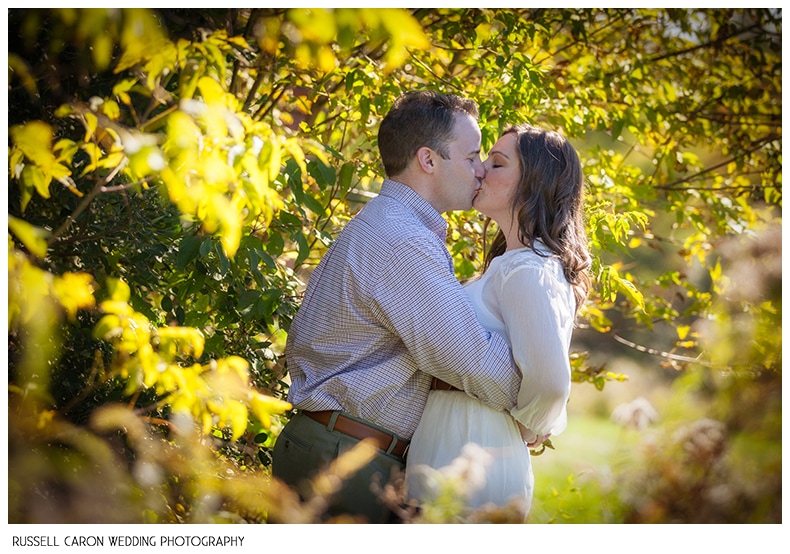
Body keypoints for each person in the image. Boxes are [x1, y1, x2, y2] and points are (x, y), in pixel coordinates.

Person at [271, 91, 522, 523]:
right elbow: (473, 361)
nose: (481, 169)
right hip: (345, 459)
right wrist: (536, 400)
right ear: (428, 160)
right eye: (472, 155)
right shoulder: (401, 239)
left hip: (338, 447)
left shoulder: (390, 225)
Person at [405, 123, 592, 520]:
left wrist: (527, 426)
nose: (480, 170)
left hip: (476, 450)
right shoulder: (508, 266)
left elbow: (552, 382)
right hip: (454, 440)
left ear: (533, 184)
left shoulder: (527, 269)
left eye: (497, 163)